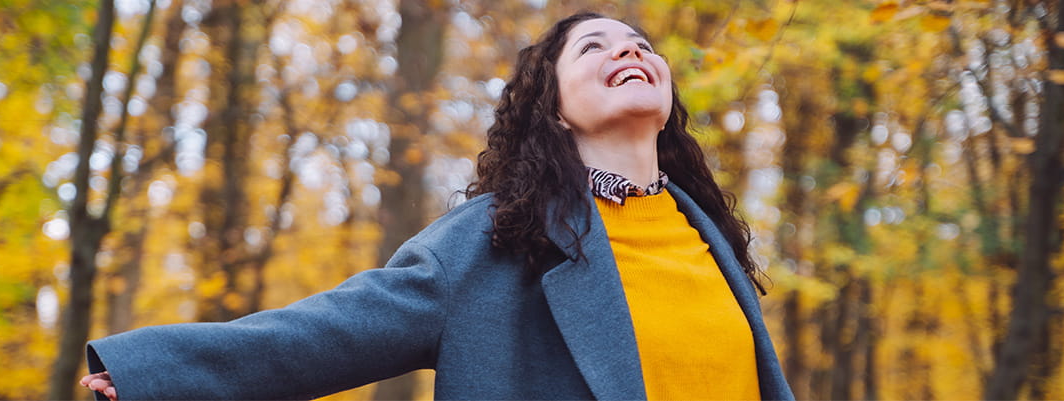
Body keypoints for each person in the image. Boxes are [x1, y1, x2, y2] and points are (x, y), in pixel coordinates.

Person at [79, 12, 795, 400]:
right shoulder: (496, 240)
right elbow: (328, 331)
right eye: (594, 48)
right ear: (555, 107)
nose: (630, 51)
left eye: (640, 45)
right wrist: (156, 371)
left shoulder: (710, 239)